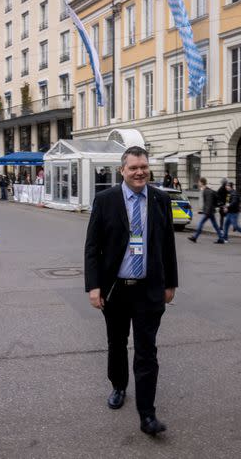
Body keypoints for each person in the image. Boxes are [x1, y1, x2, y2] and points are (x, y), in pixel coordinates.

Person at [84, 145, 178, 437]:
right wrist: (94, 286)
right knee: (116, 343)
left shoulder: (161, 200)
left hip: (148, 289)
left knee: (147, 351)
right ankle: (118, 385)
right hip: (116, 289)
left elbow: (167, 244)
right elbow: (92, 247)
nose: (139, 172)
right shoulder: (105, 200)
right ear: (122, 171)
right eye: (133, 168)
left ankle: (147, 415)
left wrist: (170, 282)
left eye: (144, 167)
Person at [188, 177, 224, 243]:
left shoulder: (207, 191)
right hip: (210, 211)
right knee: (215, 225)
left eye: (199, 182)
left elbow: (209, 202)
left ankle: (195, 237)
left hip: (209, 212)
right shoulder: (206, 190)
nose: (198, 183)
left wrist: (206, 212)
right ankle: (221, 238)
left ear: (202, 183)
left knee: (201, 223)